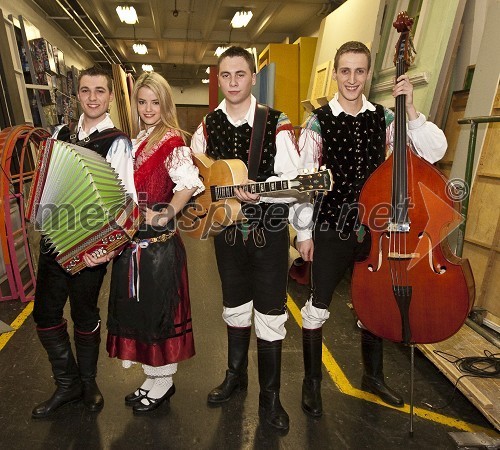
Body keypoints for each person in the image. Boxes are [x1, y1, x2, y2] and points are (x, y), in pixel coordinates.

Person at [296, 41, 447, 418]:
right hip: (331, 227)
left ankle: (373, 377)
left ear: (368, 74)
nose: (351, 79)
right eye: (345, 71)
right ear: (335, 73)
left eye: (359, 71)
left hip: (377, 231)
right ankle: (311, 383)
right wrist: (303, 233)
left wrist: (410, 108)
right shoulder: (318, 122)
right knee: (317, 307)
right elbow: (304, 183)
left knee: (373, 306)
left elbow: (432, 152)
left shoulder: (386, 118)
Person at [191, 46, 301, 432]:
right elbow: (194, 177)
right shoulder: (206, 126)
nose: (233, 82)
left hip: (269, 232)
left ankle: (270, 398)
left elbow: (293, 182)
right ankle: (235, 375)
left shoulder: (276, 122)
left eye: (241, 74)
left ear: (253, 78)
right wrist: (208, 196)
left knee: (270, 313)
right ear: (217, 79)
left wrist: (263, 191)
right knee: (235, 306)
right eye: (226, 75)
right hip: (227, 233)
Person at [32, 66, 136, 418]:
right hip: (53, 239)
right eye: (86, 90)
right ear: (77, 95)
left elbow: (126, 206)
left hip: (89, 248)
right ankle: (67, 384)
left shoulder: (117, 141)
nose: (93, 97)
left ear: (109, 97)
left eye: (100, 91)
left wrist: (104, 251)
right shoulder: (60, 133)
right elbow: (48, 178)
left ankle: (88, 381)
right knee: (44, 314)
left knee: (85, 313)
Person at [103, 72, 204, 414]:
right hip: (134, 246)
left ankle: (163, 382)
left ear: (165, 103)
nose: (148, 108)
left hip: (159, 248)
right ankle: (151, 378)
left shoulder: (173, 139)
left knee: (159, 316)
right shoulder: (138, 138)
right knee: (142, 314)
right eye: (142, 101)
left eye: (154, 102)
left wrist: (166, 214)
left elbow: (188, 184)